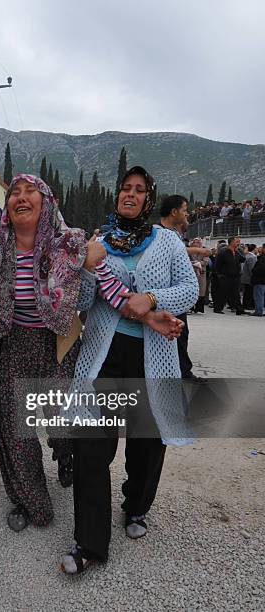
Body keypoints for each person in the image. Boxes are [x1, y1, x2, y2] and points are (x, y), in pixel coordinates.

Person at [0, 173, 184, 535]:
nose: (21, 197)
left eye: (31, 192)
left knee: (64, 424)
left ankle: (67, 459)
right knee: (16, 433)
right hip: (12, 344)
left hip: (59, 342)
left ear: (47, 201)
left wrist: (149, 315)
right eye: (14, 193)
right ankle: (30, 500)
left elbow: (108, 285)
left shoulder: (69, 242)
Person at [60, 166, 198, 575]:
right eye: (125, 189)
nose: (131, 195)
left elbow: (189, 290)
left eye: (139, 191)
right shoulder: (100, 242)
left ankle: (135, 507)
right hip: (103, 355)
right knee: (91, 446)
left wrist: (151, 298)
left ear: (149, 199)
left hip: (152, 357)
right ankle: (90, 542)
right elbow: (84, 301)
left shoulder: (168, 241)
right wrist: (86, 266)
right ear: (117, 196)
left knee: (146, 443)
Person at [159, 195, 208, 383]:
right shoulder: (159, 233)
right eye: (184, 209)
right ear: (174, 212)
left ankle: (181, 371)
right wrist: (197, 251)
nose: (187, 213)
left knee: (181, 334)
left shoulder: (174, 234)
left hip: (177, 296)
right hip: (166, 296)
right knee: (175, 335)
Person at [213, 236, 244, 314]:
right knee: (222, 293)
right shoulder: (223, 251)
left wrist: (239, 251)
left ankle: (239, 309)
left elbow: (243, 259)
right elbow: (217, 264)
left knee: (236, 293)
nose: (238, 243)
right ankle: (218, 308)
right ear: (231, 242)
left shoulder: (237, 252)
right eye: (237, 242)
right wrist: (219, 275)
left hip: (236, 276)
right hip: (225, 276)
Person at [189, 238, 210, 313]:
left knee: (201, 290)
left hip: (201, 272)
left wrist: (199, 263)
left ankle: (199, 308)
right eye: (195, 242)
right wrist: (193, 263)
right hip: (191, 272)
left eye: (198, 242)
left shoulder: (204, 251)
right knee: (191, 290)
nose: (196, 243)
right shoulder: (190, 251)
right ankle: (190, 307)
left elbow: (206, 261)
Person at [241, 244, 257, 310]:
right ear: (254, 249)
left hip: (245, 277)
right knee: (249, 293)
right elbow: (252, 269)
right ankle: (248, 305)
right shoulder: (252, 257)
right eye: (256, 248)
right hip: (249, 278)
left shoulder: (247, 256)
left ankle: (246, 304)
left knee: (247, 292)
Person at [250, 244, 265, 317]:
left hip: (260, 280)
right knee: (261, 295)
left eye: (262, 248)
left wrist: (254, 270)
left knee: (258, 296)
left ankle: (258, 311)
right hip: (262, 280)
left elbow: (260, 268)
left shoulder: (262, 258)